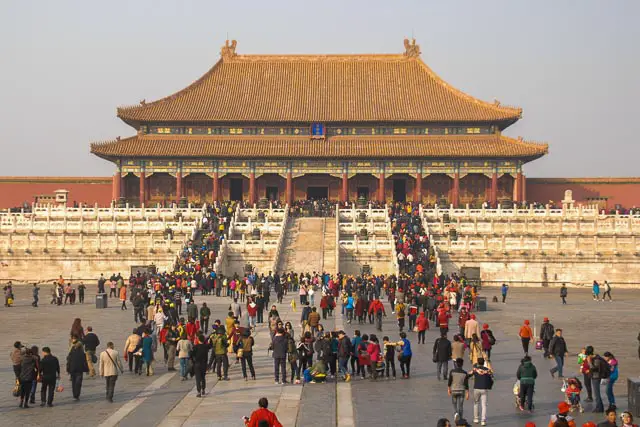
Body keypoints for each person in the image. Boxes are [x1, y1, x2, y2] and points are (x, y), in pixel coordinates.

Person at [471, 357, 492, 426]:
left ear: (478, 362)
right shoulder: (487, 370)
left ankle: (476, 418)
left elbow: (469, 375)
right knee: (484, 405)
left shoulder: (475, 370)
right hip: (484, 389)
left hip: (476, 388)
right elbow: (491, 377)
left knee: (476, 403)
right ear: (483, 363)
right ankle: (483, 420)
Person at [448, 357, 470, 422]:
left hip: (454, 390)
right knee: (461, 405)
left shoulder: (452, 371)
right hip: (461, 390)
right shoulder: (464, 373)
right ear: (462, 364)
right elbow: (466, 384)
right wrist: (467, 393)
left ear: (456, 364)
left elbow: (449, 381)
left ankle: (455, 413)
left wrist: (448, 389)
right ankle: (460, 419)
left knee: (454, 404)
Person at [588, 349, 607, 413]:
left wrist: (589, 362)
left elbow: (595, 369)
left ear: (590, 354)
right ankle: (600, 407)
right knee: (596, 394)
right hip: (594, 377)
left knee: (597, 394)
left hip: (596, 377)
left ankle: (599, 408)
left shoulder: (596, 359)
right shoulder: (595, 358)